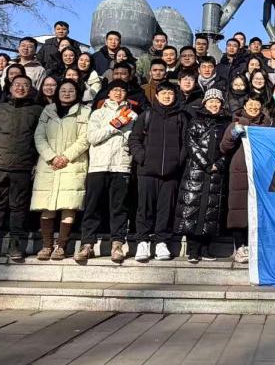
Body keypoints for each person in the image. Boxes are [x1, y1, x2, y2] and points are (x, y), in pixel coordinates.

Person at [0, 76, 43, 262]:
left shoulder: (37, 111)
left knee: (19, 208)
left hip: (23, 167)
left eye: (25, 85)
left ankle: (16, 244)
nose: (21, 88)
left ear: (31, 89)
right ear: (10, 88)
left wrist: (37, 163)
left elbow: (42, 138)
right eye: (17, 85)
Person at [77, 81, 137, 265]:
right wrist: (115, 125)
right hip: (98, 165)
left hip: (121, 165)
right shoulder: (98, 113)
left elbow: (132, 140)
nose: (118, 93)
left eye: (122, 90)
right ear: (108, 93)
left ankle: (117, 244)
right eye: (115, 90)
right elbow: (93, 137)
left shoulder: (133, 115)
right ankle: (87, 244)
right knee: (92, 206)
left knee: (119, 207)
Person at [129, 81, 190, 262]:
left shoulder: (181, 117)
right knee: (144, 208)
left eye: (170, 93)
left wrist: (178, 162)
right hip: (147, 171)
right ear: (156, 96)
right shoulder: (146, 115)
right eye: (163, 93)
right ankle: (143, 241)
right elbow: (134, 139)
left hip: (171, 173)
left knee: (166, 209)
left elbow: (186, 143)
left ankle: (162, 242)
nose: (167, 96)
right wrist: (142, 157)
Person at [29, 80, 90, 261]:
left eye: (71, 90)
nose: (67, 93)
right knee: (46, 205)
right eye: (63, 90)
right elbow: (39, 136)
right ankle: (46, 245)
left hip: (72, 164)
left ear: (77, 93)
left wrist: (65, 157)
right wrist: (51, 157)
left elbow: (84, 138)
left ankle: (61, 246)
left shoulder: (84, 111)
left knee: (68, 205)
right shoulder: (48, 110)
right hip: (49, 164)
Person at [175, 89, 231, 263]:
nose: (214, 105)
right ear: (205, 103)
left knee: (211, 211)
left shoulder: (226, 123)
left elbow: (229, 148)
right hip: (196, 171)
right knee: (193, 208)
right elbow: (191, 144)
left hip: (217, 173)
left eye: (217, 101)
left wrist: (219, 164)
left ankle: (206, 249)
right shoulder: (196, 121)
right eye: (211, 101)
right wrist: (206, 164)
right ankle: (193, 250)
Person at [221, 95, 272, 263]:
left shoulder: (268, 125)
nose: (254, 108)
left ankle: (254, 245)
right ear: (244, 106)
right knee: (239, 209)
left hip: (261, 172)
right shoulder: (236, 123)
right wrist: (234, 133)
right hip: (240, 171)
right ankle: (240, 246)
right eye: (250, 104)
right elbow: (224, 147)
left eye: (257, 105)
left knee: (258, 209)